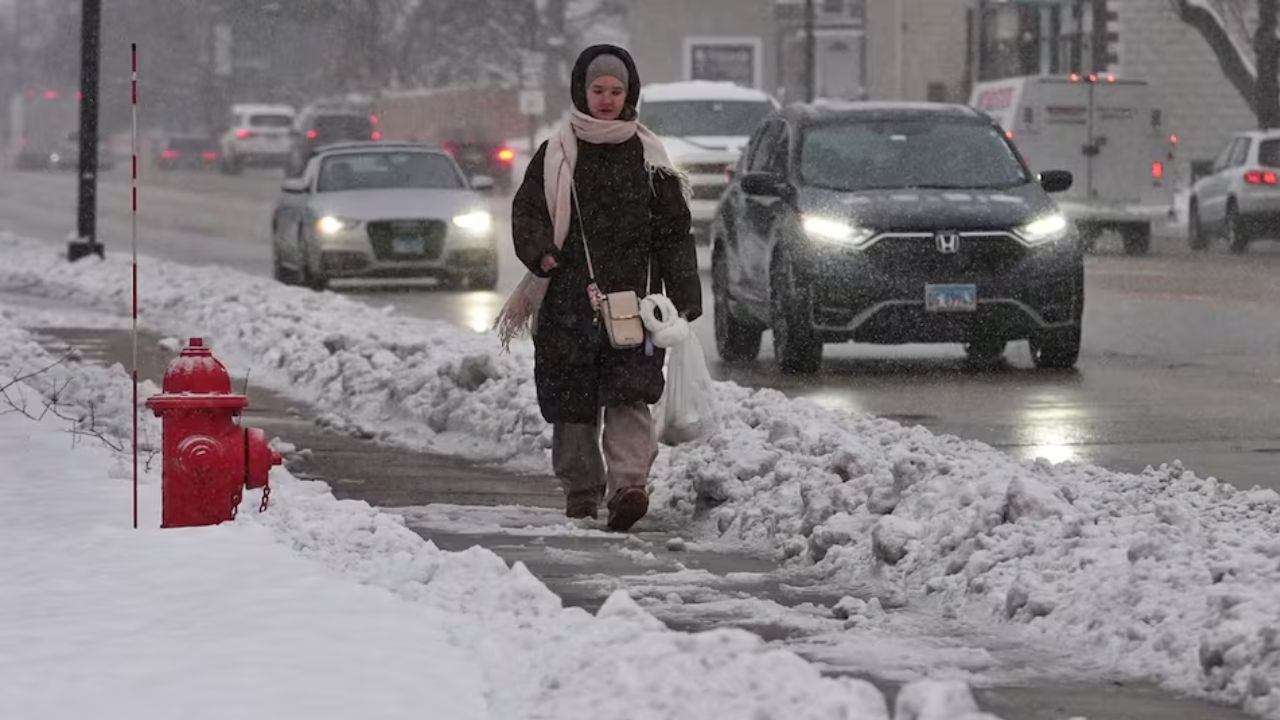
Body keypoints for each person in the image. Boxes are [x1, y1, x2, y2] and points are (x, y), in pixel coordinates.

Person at [495, 45, 701, 531]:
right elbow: (528, 211)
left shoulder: (650, 158)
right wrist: (542, 250)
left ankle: (629, 487)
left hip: (634, 300)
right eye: (598, 90)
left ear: (629, 94)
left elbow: (673, 231)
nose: (607, 99)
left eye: (616, 91)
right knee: (573, 401)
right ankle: (581, 493)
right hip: (569, 297)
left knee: (630, 393)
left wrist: (683, 296)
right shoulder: (556, 153)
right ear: (581, 91)